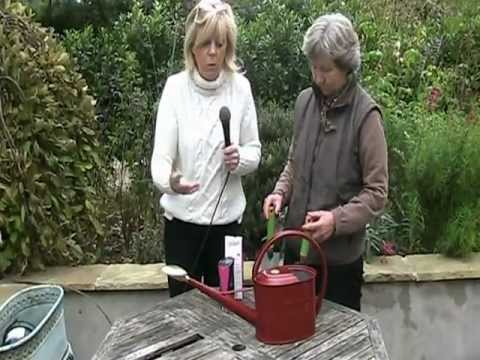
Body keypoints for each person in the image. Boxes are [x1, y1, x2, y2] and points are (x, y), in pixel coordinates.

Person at [262, 13, 388, 311]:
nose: (317, 77)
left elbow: (377, 193)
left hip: (338, 269)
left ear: (347, 68)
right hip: (296, 259)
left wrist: (335, 221)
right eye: (314, 67)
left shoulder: (366, 117)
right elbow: (294, 164)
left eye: (326, 70)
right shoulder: (305, 102)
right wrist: (280, 193)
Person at [151, 0, 261, 297]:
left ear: (228, 47)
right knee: (183, 317)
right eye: (204, 44)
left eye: (220, 44)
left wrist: (241, 158)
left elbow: (254, 151)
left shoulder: (240, 88)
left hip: (226, 230)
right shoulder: (175, 89)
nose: (212, 52)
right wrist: (171, 182)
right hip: (182, 229)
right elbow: (160, 161)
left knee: (227, 312)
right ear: (192, 47)